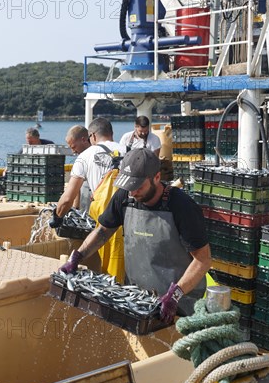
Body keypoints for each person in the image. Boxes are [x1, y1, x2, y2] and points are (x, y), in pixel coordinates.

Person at [59, 148, 212, 323]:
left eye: (138, 186)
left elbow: (203, 259)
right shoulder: (125, 196)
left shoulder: (182, 207)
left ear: (156, 177)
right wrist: (77, 257)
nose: (132, 192)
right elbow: (103, 231)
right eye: (128, 186)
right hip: (138, 297)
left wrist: (175, 294)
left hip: (180, 304)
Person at [49, 117, 127, 280]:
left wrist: (57, 217)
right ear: (111, 133)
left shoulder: (85, 156)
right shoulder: (130, 150)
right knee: (127, 264)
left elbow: (67, 198)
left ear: (91, 136)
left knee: (109, 269)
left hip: (107, 220)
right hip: (131, 217)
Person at [64, 124, 92, 212]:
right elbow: (76, 188)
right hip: (85, 206)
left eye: (73, 147)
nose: (73, 151)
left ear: (83, 140)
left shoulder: (90, 157)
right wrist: (76, 208)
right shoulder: (80, 159)